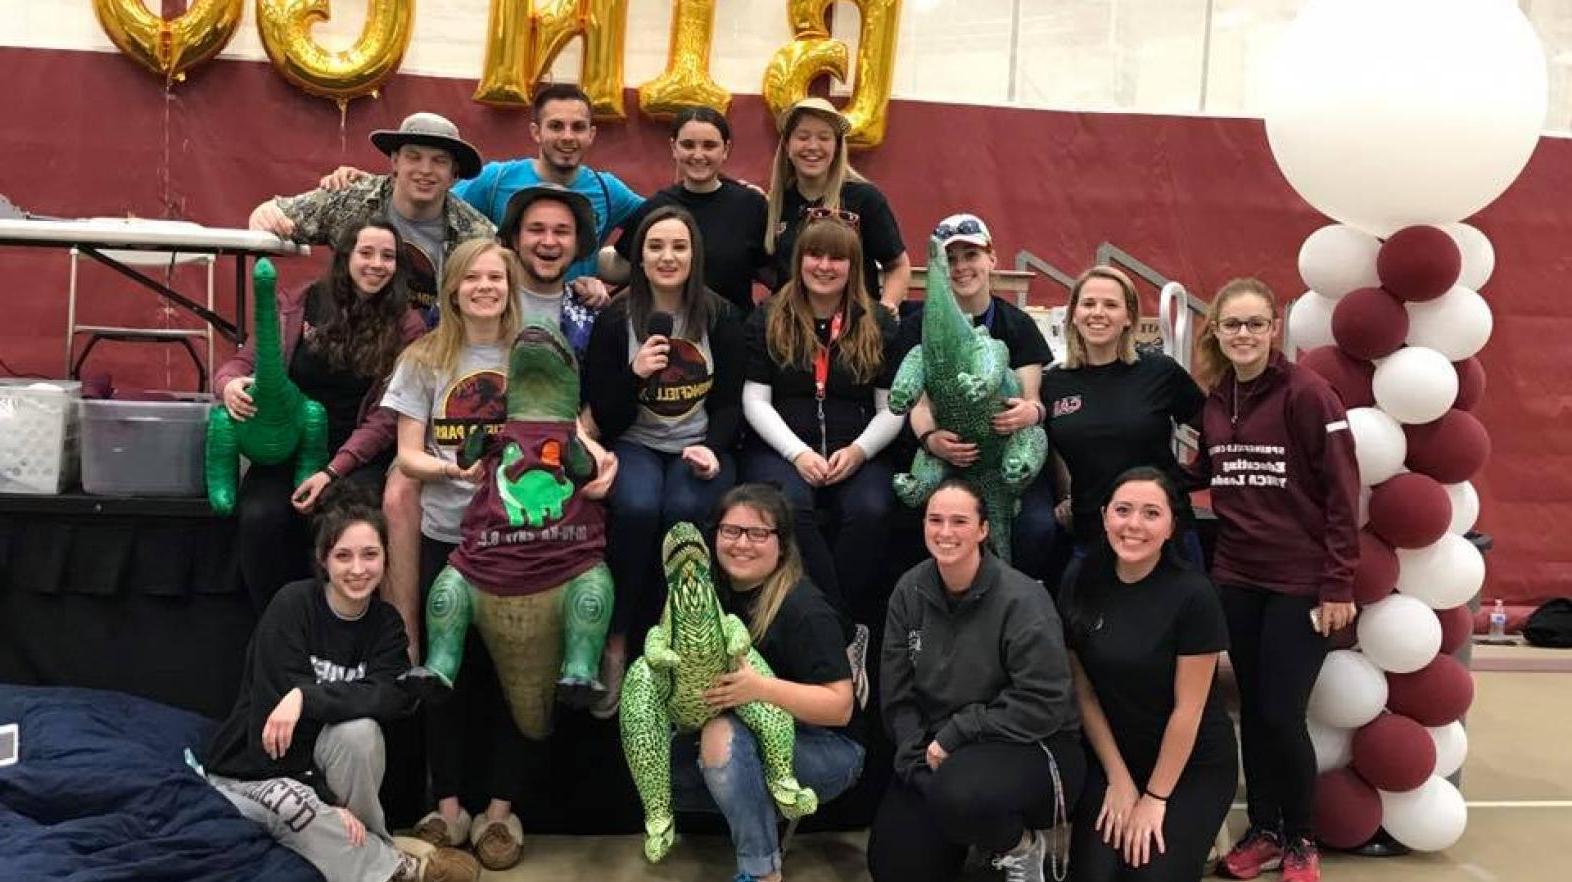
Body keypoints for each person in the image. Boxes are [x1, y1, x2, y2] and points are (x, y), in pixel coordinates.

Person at [381, 237, 615, 871]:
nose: (485, 287)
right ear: (452, 288)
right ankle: (449, 806)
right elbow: (406, 453)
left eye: (496, 277)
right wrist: (452, 470)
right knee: (447, 681)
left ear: (510, 287)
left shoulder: (532, 352)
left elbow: (576, 434)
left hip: (529, 544)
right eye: (472, 277)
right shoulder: (425, 358)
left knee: (520, 678)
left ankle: (502, 811)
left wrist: (600, 460)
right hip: (448, 535)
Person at [203, 493, 473, 882]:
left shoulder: (385, 624)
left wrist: (305, 696)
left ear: (385, 558)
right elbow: (269, 732)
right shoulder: (291, 607)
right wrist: (325, 801)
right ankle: (398, 869)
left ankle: (365, 843)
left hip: (319, 765)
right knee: (306, 812)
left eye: (370, 554)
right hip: (252, 772)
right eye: (344, 556)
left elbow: (393, 696)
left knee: (359, 733)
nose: (358, 569)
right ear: (323, 561)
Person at [1192, 279, 1359, 882]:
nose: (1243, 335)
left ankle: (1301, 840)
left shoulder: (1310, 395)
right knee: (1254, 714)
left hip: (1301, 584)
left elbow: (1344, 496)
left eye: (1254, 324)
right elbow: (1205, 468)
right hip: (1237, 577)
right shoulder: (1216, 399)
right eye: (1232, 324)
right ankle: (1263, 830)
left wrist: (1337, 583)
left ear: (1273, 329)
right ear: (1215, 329)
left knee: (1282, 714)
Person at [868, 478, 1083, 882]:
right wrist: (916, 762)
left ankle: (1022, 848)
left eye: (959, 521)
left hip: (1031, 745)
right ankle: (970, 833)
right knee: (894, 866)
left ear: (983, 529)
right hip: (938, 752)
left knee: (961, 793)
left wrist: (959, 733)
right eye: (935, 520)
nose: (945, 532)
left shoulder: (1022, 599)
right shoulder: (909, 590)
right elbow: (897, 698)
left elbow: (1044, 703)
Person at [584, 205, 746, 717]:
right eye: (655, 247)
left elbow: (730, 402)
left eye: (679, 246)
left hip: (697, 444)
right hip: (635, 442)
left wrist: (713, 449)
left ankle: (682, 644)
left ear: (694, 254)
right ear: (639, 256)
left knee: (682, 511)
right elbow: (602, 419)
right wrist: (634, 375)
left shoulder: (719, 316)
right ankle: (615, 640)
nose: (667, 257)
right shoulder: (615, 319)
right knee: (635, 508)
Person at [215, 220, 426, 612]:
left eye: (388, 256)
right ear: (345, 257)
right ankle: (279, 624)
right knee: (260, 518)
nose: (377, 264)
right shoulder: (298, 304)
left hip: (359, 456)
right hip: (290, 445)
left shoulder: (407, 325)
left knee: (347, 527)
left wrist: (331, 472)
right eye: (367, 253)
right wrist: (227, 384)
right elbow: (244, 361)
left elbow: (386, 418)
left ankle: (340, 629)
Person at [663, 483, 863, 882]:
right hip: (745, 732)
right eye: (730, 531)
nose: (741, 544)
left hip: (826, 747)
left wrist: (759, 688)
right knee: (661, 775)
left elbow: (840, 708)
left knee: (722, 734)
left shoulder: (804, 610)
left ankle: (761, 871)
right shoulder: (706, 595)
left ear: (782, 544)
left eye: (758, 533)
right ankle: (755, 806)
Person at [1060, 467, 1237, 882]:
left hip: (1190, 763)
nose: (1134, 525)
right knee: (1098, 876)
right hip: (1114, 756)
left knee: (1147, 874)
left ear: (1172, 524)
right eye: (1123, 510)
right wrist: (1119, 780)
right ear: (1105, 516)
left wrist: (1155, 798)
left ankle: (1194, 833)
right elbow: (1083, 692)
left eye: (1151, 513)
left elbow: (1187, 711)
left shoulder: (1194, 595)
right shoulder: (1079, 581)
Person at [741, 216, 903, 619]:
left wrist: (860, 452)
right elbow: (755, 399)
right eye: (815, 255)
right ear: (799, 260)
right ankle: (831, 622)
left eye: (838, 257)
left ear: (854, 266)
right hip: (782, 448)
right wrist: (797, 454)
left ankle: (834, 619)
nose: (825, 266)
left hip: (859, 447)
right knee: (789, 507)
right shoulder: (768, 316)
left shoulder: (878, 323)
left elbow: (892, 407)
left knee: (872, 509)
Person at [896, 213, 1057, 581]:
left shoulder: (1017, 324)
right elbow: (917, 404)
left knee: (1036, 526)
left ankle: (1024, 602)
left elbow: (1033, 401)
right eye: (950, 260)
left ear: (991, 259)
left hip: (1003, 451)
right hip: (950, 456)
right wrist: (931, 439)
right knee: (913, 518)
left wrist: (1027, 414)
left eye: (970, 255)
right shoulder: (916, 327)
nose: (961, 267)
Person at [248, 112, 495, 324]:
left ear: (454, 175)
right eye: (414, 157)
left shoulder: (475, 233)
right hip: (348, 341)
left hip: (430, 354)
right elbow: (277, 213)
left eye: (439, 161)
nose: (425, 170)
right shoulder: (350, 198)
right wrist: (264, 214)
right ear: (395, 162)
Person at [1039, 265, 1206, 565]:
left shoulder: (1159, 372)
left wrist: (1189, 478)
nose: (1098, 313)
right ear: (1073, 314)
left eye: (1111, 305)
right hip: (1092, 536)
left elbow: (1214, 429)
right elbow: (1050, 449)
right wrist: (1063, 496)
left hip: (1165, 536)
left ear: (1129, 317)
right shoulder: (1052, 384)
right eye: (1088, 304)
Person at [454, 83, 643, 297]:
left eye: (578, 127)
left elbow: (658, 220)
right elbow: (441, 211)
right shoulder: (496, 180)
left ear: (591, 134)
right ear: (536, 132)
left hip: (575, 323)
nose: (568, 137)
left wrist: (610, 262)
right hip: (505, 317)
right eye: (556, 126)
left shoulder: (608, 191)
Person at [603, 106, 770, 315]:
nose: (698, 155)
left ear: (725, 149)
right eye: (688, 145)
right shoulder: (656, 208)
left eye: (709, 146)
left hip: (734, 335)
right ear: (674, 148)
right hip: (667, 334)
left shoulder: (751, 205)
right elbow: (622, 266)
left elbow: (773, 271)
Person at [764, 98, 909, 314]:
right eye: (803, 137)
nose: (813, 146)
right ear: (787, 144)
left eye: (824, 138)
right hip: (790, 333)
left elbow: (897, 265)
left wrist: (885, 310)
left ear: (838, 146)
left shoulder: (865, 199)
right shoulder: (774, 204)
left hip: (853, 333)